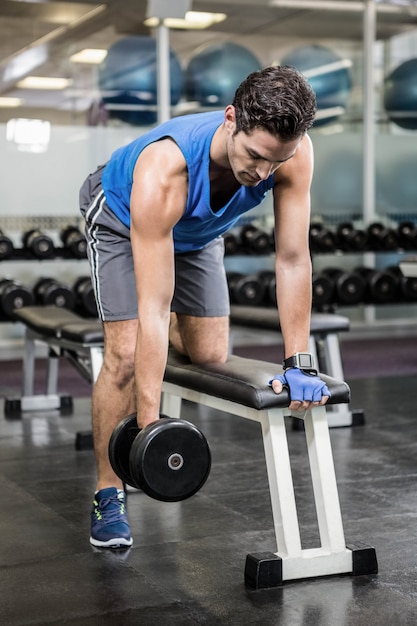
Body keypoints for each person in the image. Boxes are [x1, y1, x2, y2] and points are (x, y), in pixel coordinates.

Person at [79, 65, 330, 549]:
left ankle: (170, 336)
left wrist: (299, 361)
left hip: (198, 235)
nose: (263, 174)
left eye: (275, 163)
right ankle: (108, 491)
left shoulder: (292, 155)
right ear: (231, 119)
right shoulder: (166, 168)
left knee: (211, 354)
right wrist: (147, 429)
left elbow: (294, 259)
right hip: (122, 216)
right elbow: (154, 306)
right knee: (127, 355)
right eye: (256, 157)